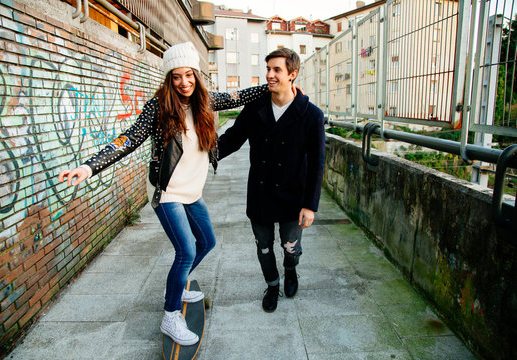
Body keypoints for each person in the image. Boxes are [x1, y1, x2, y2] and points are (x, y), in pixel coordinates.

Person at [58, 42, 272, 345]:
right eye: (176, 77)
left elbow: (242, 95)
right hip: (166, 191)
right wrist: (90, 167)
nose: (184, 83)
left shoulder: (206, 102)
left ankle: (177, 284)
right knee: (185, 250)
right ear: (168, 79)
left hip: (192, 190)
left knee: (207, 242)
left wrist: (278, 83)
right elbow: (128, 138)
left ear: (197, 76)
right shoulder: (158, 108)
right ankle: (171, 315)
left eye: (189, 75)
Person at [217, 48, 326, 312]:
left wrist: (310, 206)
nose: (270, 75)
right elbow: (231, 139)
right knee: (263, 247)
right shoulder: (256, 108)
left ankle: (290, 271)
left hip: (293, 194)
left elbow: (317, 164)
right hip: (261, 193)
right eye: (268, 69)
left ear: (292, 74)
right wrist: (202, 156)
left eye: (277, 70)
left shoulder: (311, 115)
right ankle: (273, 284)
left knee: (291, 247)